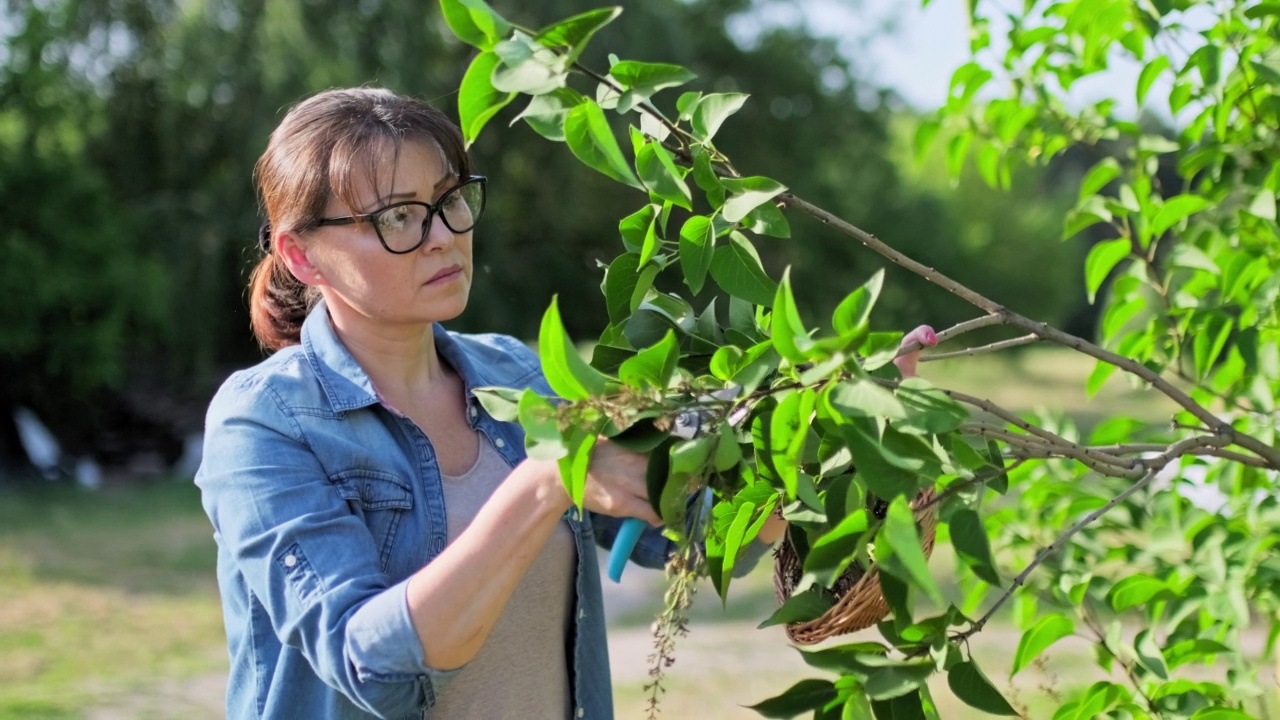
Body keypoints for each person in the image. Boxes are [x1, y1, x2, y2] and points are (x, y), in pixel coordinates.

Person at [194, 87, 790, 720]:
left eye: (449, 200)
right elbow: (370, 669)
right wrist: (545, 483)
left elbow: (683, 538)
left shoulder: (517, 376)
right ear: (301, 254)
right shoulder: (263, 423)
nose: (443, 236)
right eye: (397, 216)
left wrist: (829, 429)